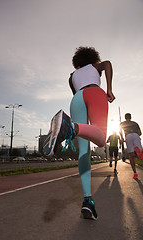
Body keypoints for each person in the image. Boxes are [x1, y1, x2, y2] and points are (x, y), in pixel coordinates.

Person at [43, 46, 115, 220]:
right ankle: (71, 127)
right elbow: (107, 63)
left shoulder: (72, 76)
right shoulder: (95, 66)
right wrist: (109, 89)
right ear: (93, 58)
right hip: (94, 93)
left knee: (84, 151)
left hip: (76, 100)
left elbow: (77, 93)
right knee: (100, 138)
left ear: (77, 63)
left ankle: (87, 200)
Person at [120, 113, 143, 179]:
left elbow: (120, 131)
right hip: (135, 135)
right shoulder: (135, 123)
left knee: (131, 156)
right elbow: (140, 133)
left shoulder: (122, 123)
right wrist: (136, 134)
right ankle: (138, 150)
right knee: (139, 150)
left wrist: (122, 138)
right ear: (131, 117)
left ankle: (135, 173)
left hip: (128, 136)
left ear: (125, 117)